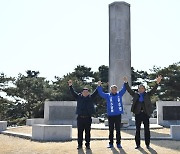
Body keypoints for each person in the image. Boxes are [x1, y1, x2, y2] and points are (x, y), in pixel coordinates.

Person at [124, 75, 162, 149]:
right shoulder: (135, 95)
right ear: (138, 89)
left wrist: (157, 83)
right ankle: (138, 145)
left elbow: (153, 90)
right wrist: (126, 83)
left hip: (145, 114)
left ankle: (147, 144)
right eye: (139, 88)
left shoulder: (147, 94)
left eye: (142, 88)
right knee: (137, 130)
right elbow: (129, 90)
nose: (141, 89)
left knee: (147, 130)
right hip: (138, 114)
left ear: (144, 89)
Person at [68, 80, 98, 150]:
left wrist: (98, 85)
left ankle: (87, 145)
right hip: (80, 118)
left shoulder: (90, 97)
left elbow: (96, 92)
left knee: (88, 132)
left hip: (88, 118)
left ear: (88, 93)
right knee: (80, 132)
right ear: (82, 92)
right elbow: (73, 92)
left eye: (87, 92)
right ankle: (79, 145)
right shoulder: (78, 97)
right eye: (84, 92)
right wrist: (70, 86)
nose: (85, 93)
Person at [97, 80, 126, 148]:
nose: (114, 90)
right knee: (111, 130)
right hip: (110, 115)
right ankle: (111, 143)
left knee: (118, 130)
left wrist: (125, 82)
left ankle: (118, 143)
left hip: (118, 115)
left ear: (116, 90)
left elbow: (124, 89)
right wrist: (99, 86)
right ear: (110, 90)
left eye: (115, 89)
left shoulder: (119, 94)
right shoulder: (107, 96)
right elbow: (101, 93)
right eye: (112, 89)